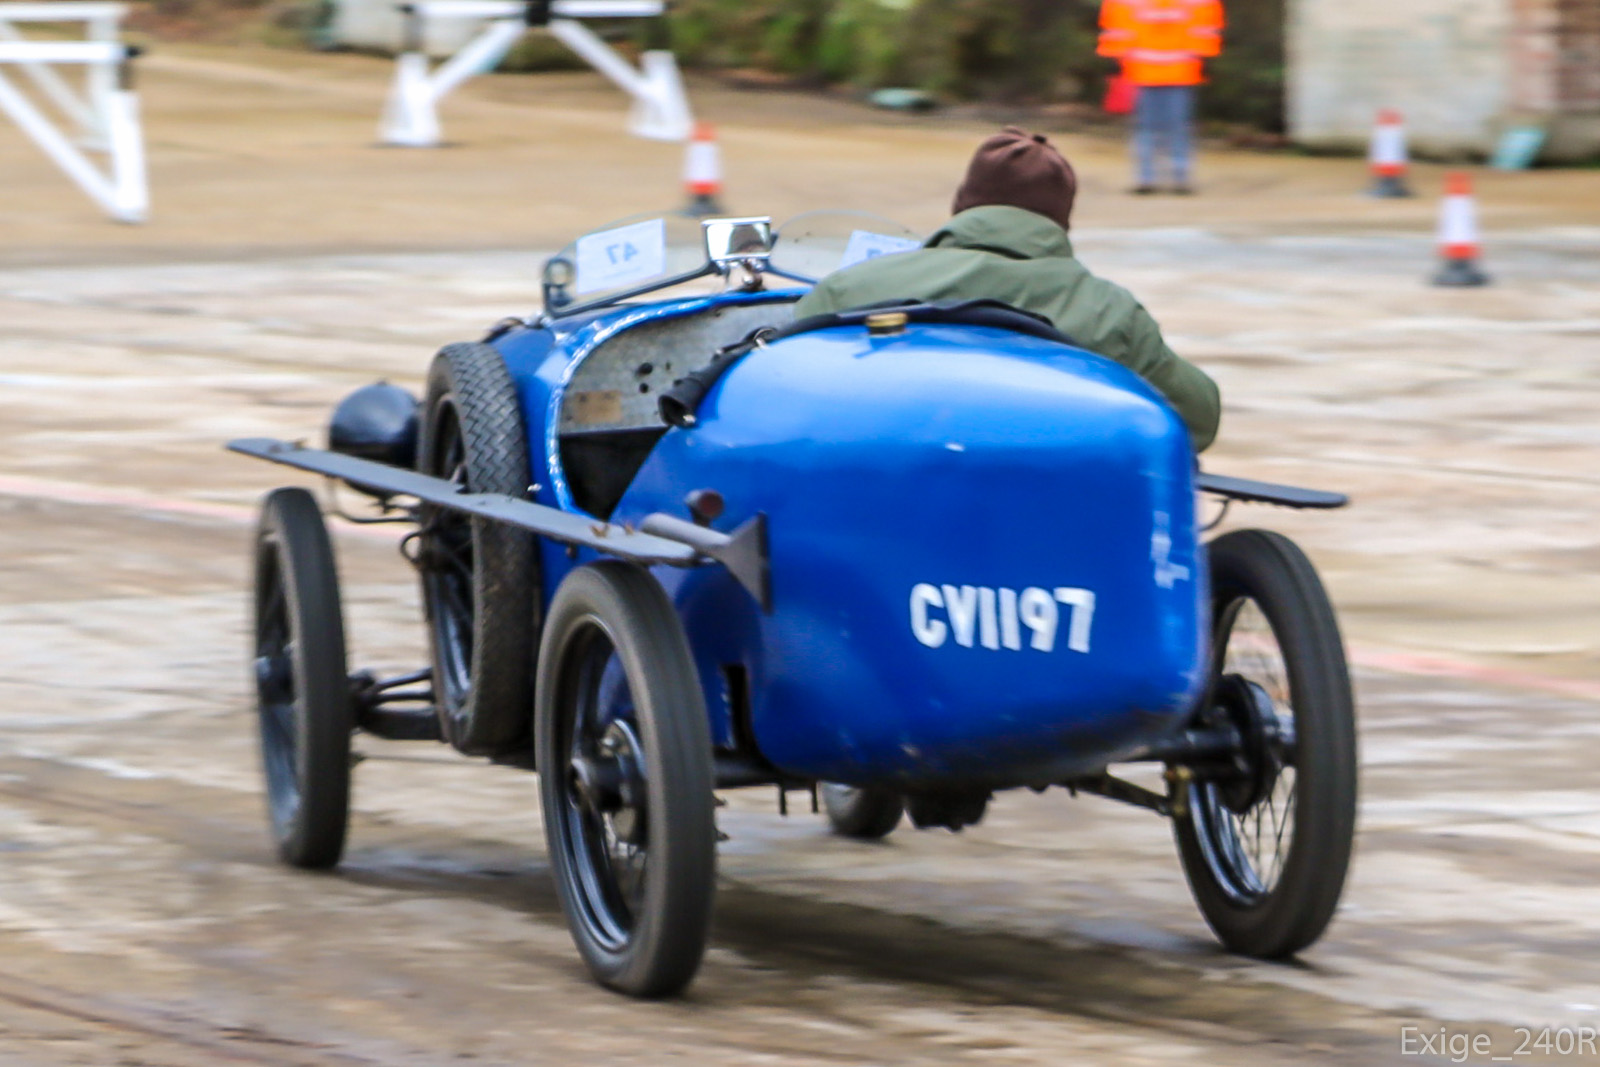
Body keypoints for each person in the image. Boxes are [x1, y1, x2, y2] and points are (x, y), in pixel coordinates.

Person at [791, 127, 1221, 451]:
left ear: (963, 204)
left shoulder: (854, 286)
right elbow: (1199, 421)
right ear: (1061, 220)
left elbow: (788, 388)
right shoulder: (1111, 312)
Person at [1097, 0, 1224, 194]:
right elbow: (1206, 30)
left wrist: (1115, 59)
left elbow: (1116, 30)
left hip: (1159, 70)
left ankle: (1155, 178)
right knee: (1169, 127)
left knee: (1154, 127)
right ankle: (1168, 178)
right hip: (1163, 70)